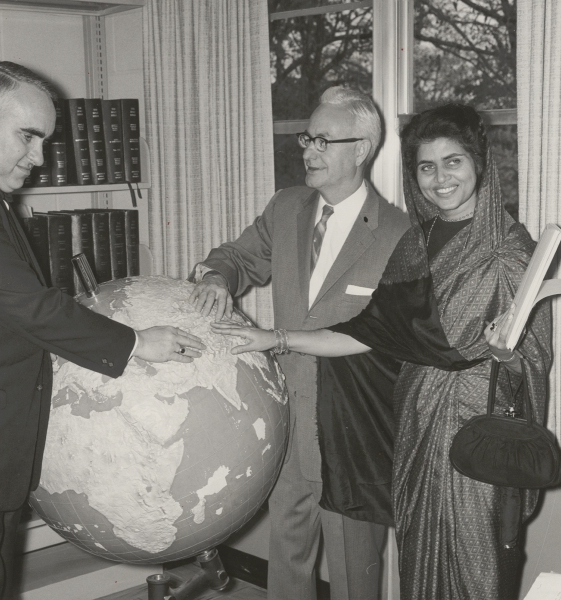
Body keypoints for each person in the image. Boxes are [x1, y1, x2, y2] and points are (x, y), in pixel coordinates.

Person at [0, 61, 204, 599]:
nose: (39, 158)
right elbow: (24, 303)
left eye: (45, 141)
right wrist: (138, 342)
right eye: (28, 136)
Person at [212, 104, 553, 599]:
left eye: (453, 162)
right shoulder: (419, 240)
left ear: (479, 163)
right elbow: (372, 330)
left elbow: (526, 351)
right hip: (414, 423)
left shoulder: (507, 247)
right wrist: (275, 339)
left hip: (472, 430)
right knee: (420, 557)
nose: (440, 179)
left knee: (473, 560)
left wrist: (508, 354)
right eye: (426, 166)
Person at [189, 86, 410, 600]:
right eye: (306, 138)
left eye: (322, 141)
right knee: (287, 563)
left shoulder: (400, 233)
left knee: (358, 572)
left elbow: (390, 337)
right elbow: (236, 257)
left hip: (353, 434)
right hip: (287, 423)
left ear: (361, 149)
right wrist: (217, 278)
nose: (307, 150)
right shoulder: (287, 208)